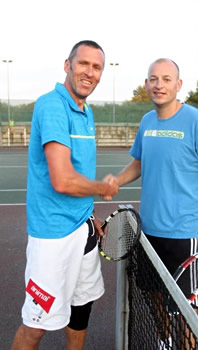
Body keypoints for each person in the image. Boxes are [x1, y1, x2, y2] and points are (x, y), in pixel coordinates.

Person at [11, 40, 118, 350]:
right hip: (53, 239)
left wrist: (89, 215)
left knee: (81, 309)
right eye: (83, 63)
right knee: (36, 325)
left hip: (82, 229)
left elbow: (78, 172)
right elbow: (62, 179)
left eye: (96, 67)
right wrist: (102, 188)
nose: (90, 72)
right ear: (67, 65)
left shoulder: (86, 112)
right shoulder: (52, 105)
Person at [105, 58, 198, 309]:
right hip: (149, 233)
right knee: (155, 298)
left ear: (178, 84)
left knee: (185, 314)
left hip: (185, 235)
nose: (158, 85)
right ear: (146, 84)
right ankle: (165, 343)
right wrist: (117, 180)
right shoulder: (147, 122)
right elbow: (140, 163)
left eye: (166, 79)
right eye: (153, 79)